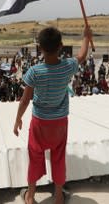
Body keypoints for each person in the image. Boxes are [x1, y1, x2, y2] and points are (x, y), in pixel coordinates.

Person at [13, 26, 92, 204]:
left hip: (39, 123)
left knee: (35, 156)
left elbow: (25, 101)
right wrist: (86, 37)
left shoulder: (34, 71)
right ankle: (58, 196)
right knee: (58, 157)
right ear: (61, 46)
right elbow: (81, 55)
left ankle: (31, 196)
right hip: (59, 123)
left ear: (40, 48)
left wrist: (18, 119)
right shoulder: (67, 67)